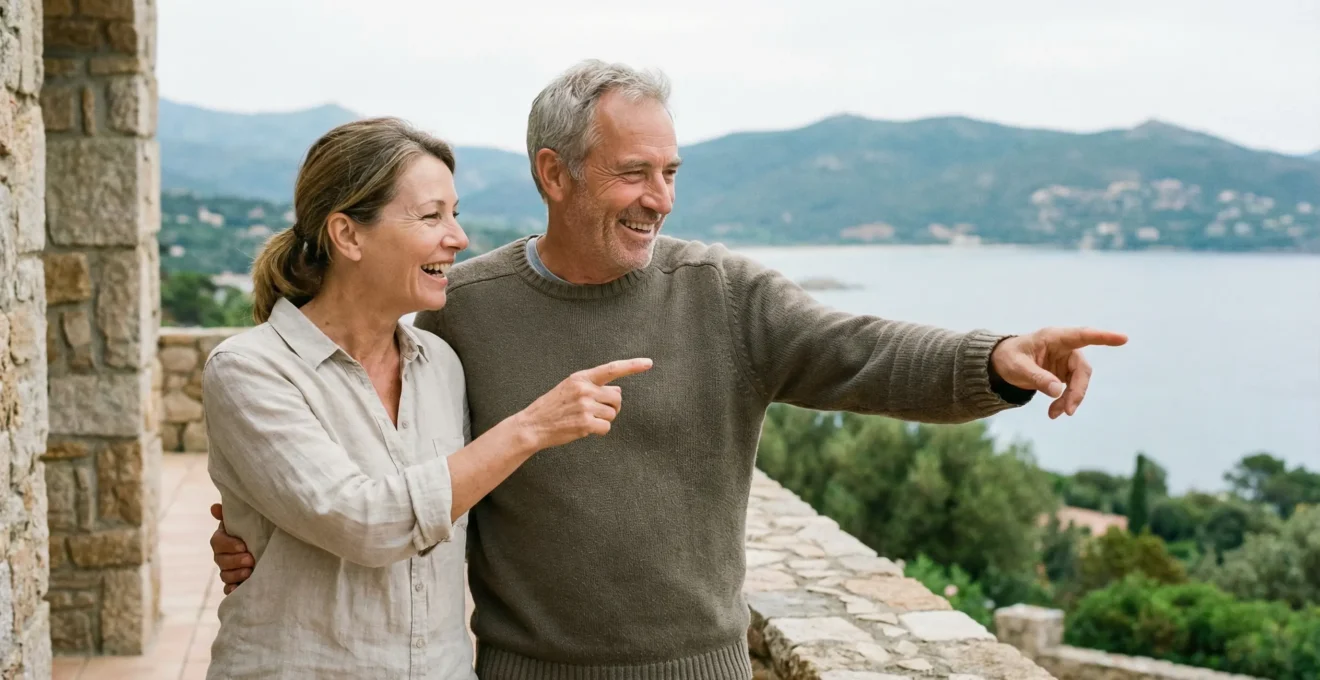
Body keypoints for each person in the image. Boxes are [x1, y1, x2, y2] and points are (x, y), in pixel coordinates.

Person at [210, 60, 1127, 680]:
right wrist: (261, 527)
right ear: (554, 173)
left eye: (672, 172)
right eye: (634, 172)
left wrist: (994, 361)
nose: (661, 198)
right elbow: (347, 422)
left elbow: (862, 353)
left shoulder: (719, 292)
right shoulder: (464, 315)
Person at [200, 116, 651, 679]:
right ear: (348, 235)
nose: (458, 237)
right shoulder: (250, 370)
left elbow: (469, 504)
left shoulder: (440, 364)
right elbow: (363, 521)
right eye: (431, 216)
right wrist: (531, 426)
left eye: (454, 214)